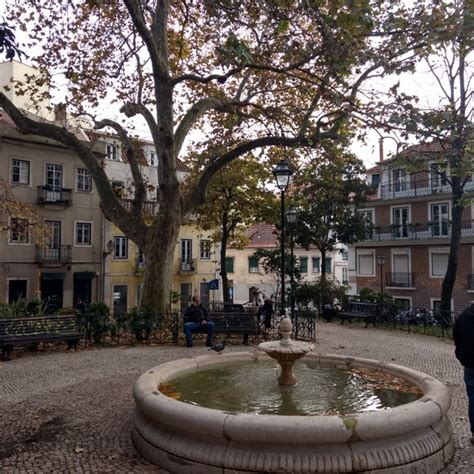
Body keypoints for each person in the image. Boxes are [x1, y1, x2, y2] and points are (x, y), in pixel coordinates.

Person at [453, 303, 474, 444]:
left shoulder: (463, 316)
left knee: (473, 399)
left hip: (470, 365)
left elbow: (456, 339)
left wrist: (462, 358)